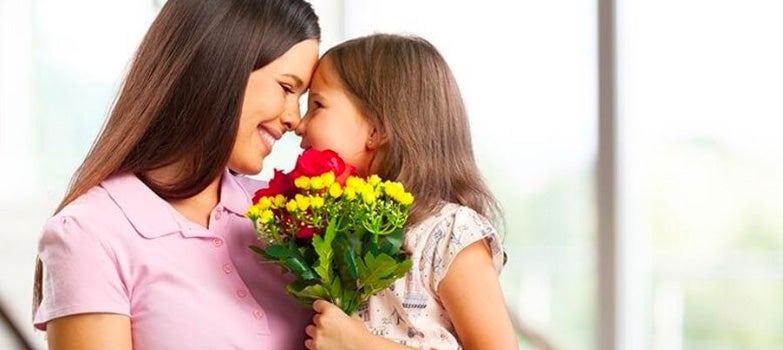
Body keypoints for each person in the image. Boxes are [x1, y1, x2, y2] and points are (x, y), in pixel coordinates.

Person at [31, 0, 320, 348]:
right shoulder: (90, 233)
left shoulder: (287, 214)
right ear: (221, 65)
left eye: (305, 98)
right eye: (288, 88)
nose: (294, 119)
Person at [295, 33, 518, 350]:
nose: (299, 126)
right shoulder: (340, 232)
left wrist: (360, 344)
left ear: (377, 130)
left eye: (317, 105)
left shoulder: (451, 234)